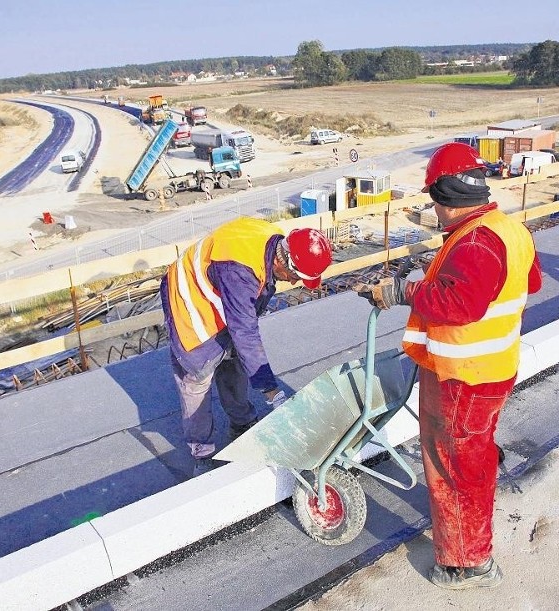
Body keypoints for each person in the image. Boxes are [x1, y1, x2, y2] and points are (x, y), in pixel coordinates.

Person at [355, 142, 542, 590]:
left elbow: (460, 304)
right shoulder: (506, 229)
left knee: (454, 467)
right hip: (494, 368)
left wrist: (401, 292)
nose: (433, 209)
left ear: (444, 196)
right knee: (472, 459)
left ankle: (466, 564)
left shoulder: (475, 242)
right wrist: (441, 273)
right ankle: (470, 539)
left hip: (464, 376)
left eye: (433, 200)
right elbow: (529, 280)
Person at [160, 217, 332, 477]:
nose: (295, 282)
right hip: (189, 299)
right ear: (280, 261)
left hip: (220, 291)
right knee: (197, 377)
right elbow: (244, 331)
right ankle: (203, 453)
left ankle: (241, 423)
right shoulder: (238, 269)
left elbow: (244, 326)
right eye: (295, 276)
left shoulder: (274, 241)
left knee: (235, 361)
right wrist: (272, 392)